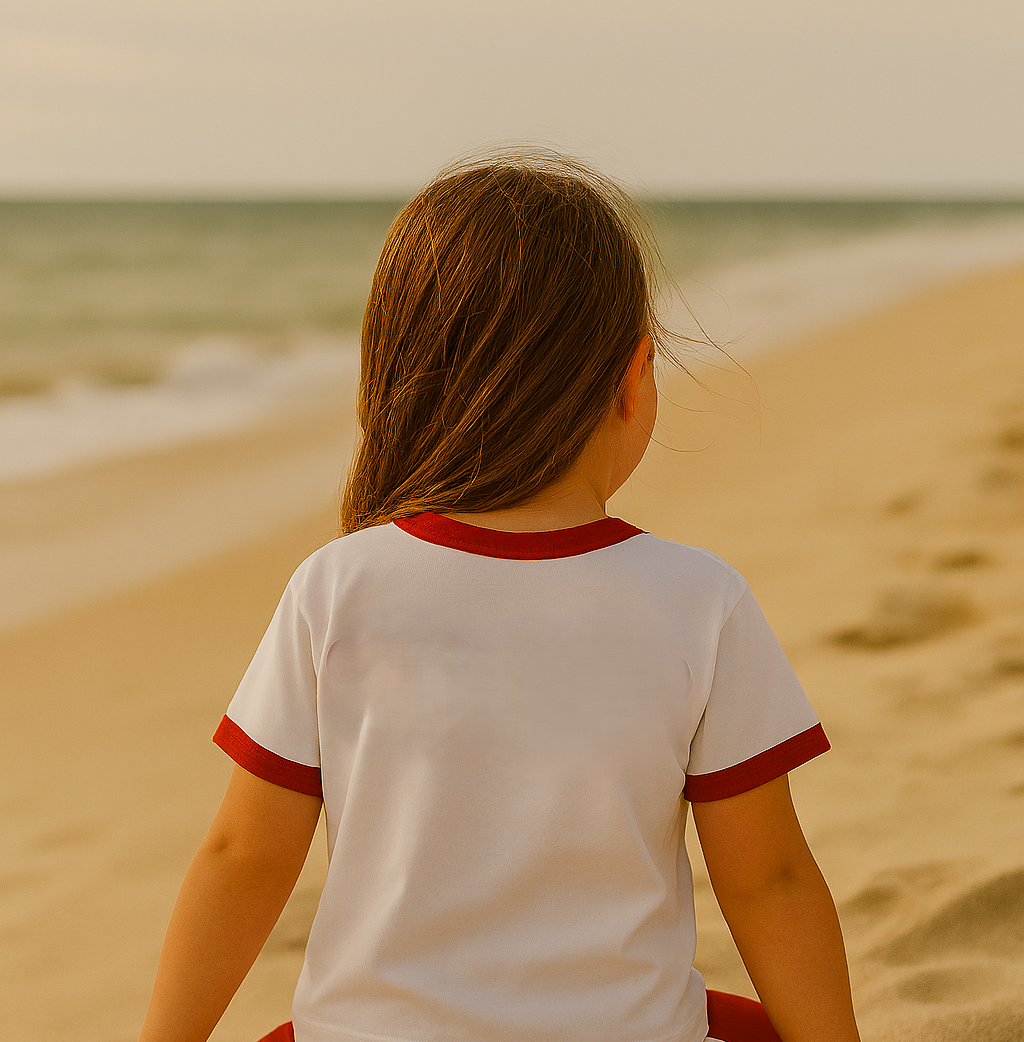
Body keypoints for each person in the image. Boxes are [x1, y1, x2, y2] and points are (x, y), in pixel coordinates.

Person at [138, 150, 861, 1042]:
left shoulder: (336, 588)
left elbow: (243, 859)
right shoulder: (700, 600)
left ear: (398, 381)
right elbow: (770, 879)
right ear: (633, 378)